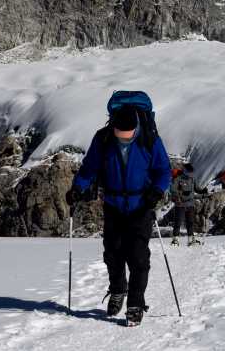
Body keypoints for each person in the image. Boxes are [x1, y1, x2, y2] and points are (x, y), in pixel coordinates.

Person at [67, 96, 172, 327]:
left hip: (141, 205)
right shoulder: (103, 139)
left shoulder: (149, 140)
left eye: (128, 136)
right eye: (120, 135)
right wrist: (77, 188)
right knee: (113, 254)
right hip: (114, 205)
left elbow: (164, 171)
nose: (124, 140)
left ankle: (135, 304)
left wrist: (157, 190)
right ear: (113, 126)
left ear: (135, 128)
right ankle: (118, 290)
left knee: (138, 257)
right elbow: (89, 168)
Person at [170, 163, 206, 246]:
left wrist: (203, 191)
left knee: (190, 222)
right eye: (189, 172)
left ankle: (191, 239)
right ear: (185, 171)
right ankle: (175, 239)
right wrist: (177, 197)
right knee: (178, 222)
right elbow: (173, 189)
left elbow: (197, 189)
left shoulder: (192, 179)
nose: (191, 174)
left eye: (191, 172)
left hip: (190, 204)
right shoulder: (178, 179)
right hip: (180, 204)